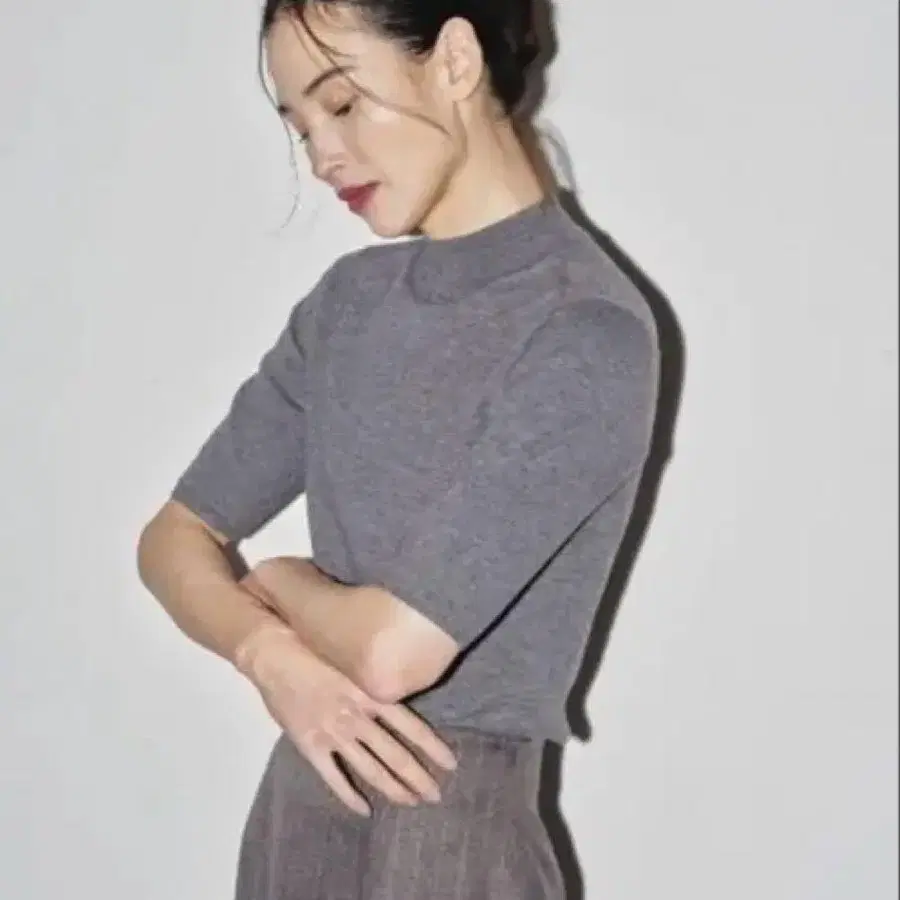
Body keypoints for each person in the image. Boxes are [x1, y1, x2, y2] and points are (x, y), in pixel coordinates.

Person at [136, 1, 660, 897]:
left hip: (454, 839)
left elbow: (393, 655)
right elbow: (171, 538)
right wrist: (270, 658)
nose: (322, 155)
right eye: (300, 125)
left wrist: (281, 582)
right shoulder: (348, 306)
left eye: (342, 104)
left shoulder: (584, 329)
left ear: (455, 60)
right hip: (299, 818)